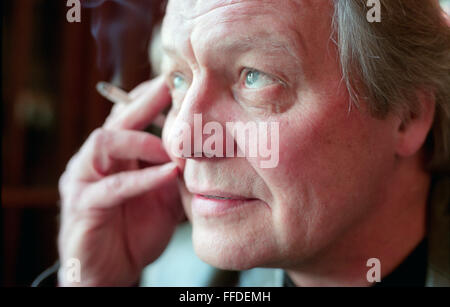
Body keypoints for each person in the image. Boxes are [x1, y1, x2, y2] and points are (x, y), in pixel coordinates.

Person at [51, 0, 450, 286]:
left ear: (408, 114)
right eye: (178, 78)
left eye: (255, 76)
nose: (183, 139)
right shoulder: (168, 275)